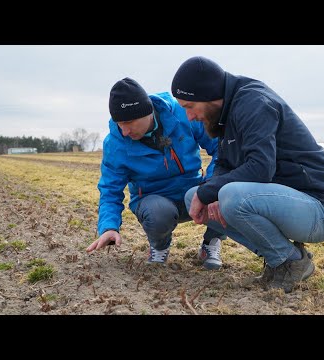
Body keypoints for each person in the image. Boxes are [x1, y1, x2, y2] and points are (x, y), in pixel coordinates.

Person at [171, 56, 324, 293]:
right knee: (194, 197)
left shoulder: (253, 103)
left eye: (189, 107)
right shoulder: (225, 111)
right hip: (280, 203)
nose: (189, 117)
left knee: (229, 195)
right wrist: (209, 192)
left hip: (319, 210)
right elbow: (224, 163)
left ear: (208, 94)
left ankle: (291, 263)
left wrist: (212, 191)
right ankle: (281, 259)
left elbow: (261, 168)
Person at [86, 77, 226, 270]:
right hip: (154, 200)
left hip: (193, 194)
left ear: (148, 112)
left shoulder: (183, 114)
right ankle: (159, 246)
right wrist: (109, 227)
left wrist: (210, 185)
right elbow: (110, 190)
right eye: (119, 124)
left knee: (223, 191)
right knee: (159, 213)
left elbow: (221, 148)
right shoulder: (115, 144)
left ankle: (211, 244)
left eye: (129, 122)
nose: (124, 131)